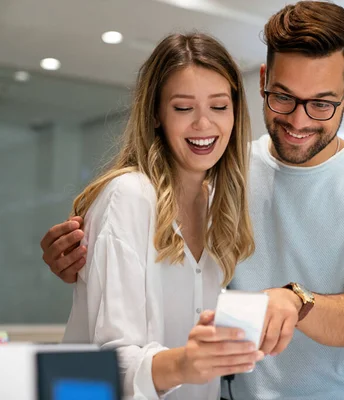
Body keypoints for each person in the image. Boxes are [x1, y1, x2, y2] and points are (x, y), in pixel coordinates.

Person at [40, 1, 344, 399]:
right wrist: (88, 258)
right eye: (284, 97)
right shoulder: (226, 174)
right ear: (262, 82)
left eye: (322, 103)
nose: (299, 120)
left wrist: (296, 300)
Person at [54, 32, 266, 399]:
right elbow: (109, 359)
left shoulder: (221, 206)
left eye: (219, 107)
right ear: (155, 113)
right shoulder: (128, 196)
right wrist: (185, 364)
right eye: (183, 108)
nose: (204, 124)